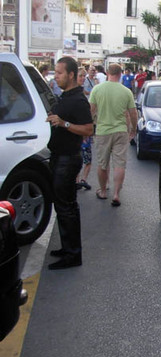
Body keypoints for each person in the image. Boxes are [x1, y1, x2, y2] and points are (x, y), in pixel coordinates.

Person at [45, 57, 94, 270]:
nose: (55, 77)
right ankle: (68, 249)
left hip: (68, 159)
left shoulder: (79, 100)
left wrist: (63, 123)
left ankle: (73, 255)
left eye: (59, 73)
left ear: (71, 75)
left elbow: (88, 130)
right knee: (63, 206)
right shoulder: (66, 96)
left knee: (67, 208)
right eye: (55, 73)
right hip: (59, 157)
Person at [89, 64, 137, 207]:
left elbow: (91, 111)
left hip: (102, 131)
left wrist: (89, 127)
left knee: (102, 164)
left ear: (107, 73)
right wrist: (133, 129)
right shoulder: (126, 91)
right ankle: (116, 194)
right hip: (121, 131)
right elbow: (133, 113)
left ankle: (103, 191)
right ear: (121, 74)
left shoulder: (97, 89)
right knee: (119, 164)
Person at [75, 68, 93, 191]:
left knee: (87, 159)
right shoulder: (72, 93)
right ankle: (76, 180)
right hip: (76, 132)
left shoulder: (82, 92)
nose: (82, 78)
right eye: (80, 76)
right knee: (77, 159)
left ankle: (83, 180)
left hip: (85, 131)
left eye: (83, 76)